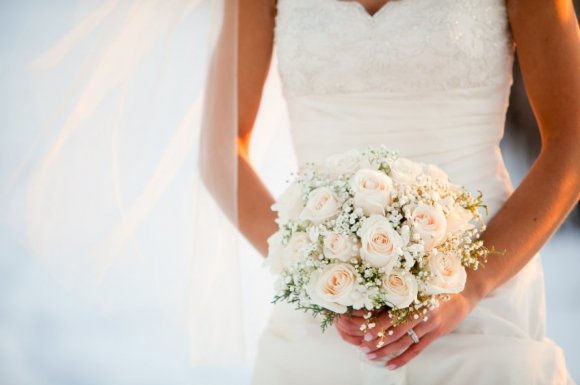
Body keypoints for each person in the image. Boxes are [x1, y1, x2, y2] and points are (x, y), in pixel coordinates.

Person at [219, 0, 580, 384]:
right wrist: (312, 269)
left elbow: (571, 142)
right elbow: (222, 152)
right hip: (323, 311)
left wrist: (468, 285)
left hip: (483, 291)